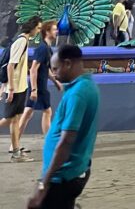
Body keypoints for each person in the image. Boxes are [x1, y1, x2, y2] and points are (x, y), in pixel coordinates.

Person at [26, 44, 99, 209]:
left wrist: (43, 185)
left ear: (68, 64)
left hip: (63, 176)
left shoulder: (77, 94)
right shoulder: (86, 86)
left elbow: (66, 141)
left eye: (56, 69)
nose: (54, 74)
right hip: (72, 171)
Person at [1, 15, 42, 162]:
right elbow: (11, 65)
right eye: (38, 28)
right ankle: (16, 152)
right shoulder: (21, 42)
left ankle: (16, 152)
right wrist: (10, 88)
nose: (38, 31)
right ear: (31, 27)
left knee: (14, 120)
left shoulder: (23, 41)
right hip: (16, 88)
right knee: (10, 119)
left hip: (19, 87)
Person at [18, 22, 63, 146]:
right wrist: (34, 89)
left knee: (28, 113)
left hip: (40, 85)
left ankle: (14, 144)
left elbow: (45, 68)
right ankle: (49, 142)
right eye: (54, 29)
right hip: (38, 87)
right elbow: (33, 69)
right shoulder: (42, 49)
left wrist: (56, 81)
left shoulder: (47, 49)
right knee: (47, 111)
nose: (56, 32)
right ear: (47, 32)